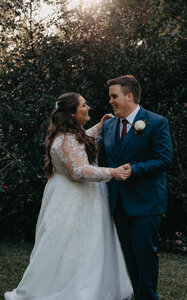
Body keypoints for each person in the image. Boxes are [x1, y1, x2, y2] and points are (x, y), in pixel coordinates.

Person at [5, 92, 133, 300]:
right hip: (74, 198)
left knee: (89, 242)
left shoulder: (72, 134)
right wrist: (113, 172)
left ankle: (94, 285)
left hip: (84, 197)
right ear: (72, 114)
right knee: (71, 244)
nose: (88, 107)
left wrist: (99, 126)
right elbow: (78, 171)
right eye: (83, 105)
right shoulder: (65, 139)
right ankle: (72, 289)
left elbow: (81, 143)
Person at [98, 75, 173, 300]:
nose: (110, 100)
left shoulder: (156, 122)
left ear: (129, 96)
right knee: (128, 255)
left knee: (144, 254)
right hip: (119, 201)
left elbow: (164, 159)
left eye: (114, 96)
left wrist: (134, 170)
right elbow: (103, 160)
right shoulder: (109, 125)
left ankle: (148, 297)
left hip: (147, 201)